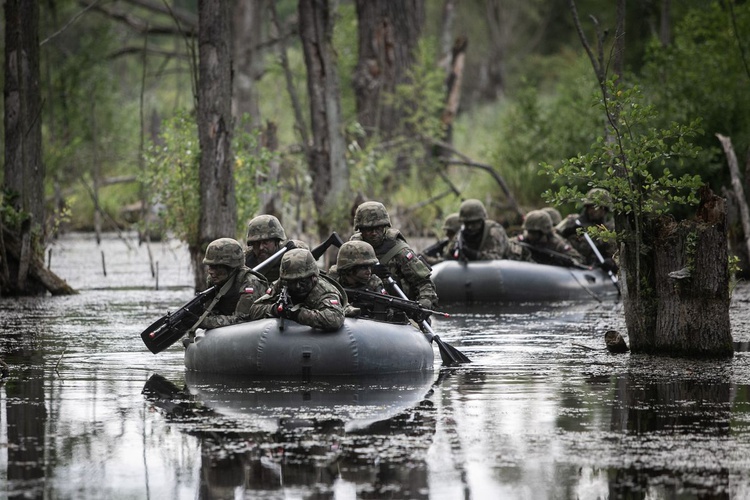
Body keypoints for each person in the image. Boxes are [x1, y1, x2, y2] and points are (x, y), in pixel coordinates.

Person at [350, 201, 439, 310]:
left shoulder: (399, 251)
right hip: (362, 309)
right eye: (369, 229)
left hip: (399, 311)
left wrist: (424, 303)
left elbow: (424, 282)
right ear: (361, 230)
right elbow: (339, 279)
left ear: (384, 227)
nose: (374, 233)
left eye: (378, 228)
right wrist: (369, 272)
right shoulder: (352, 249)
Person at [248, 248, 345, 331]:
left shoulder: (324, 290)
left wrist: (297, 314)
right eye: (292, 282)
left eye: (303, 281)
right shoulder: (283, 283)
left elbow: (334, 319)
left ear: (314, 277)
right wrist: (274, 309)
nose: (298, 286)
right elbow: (254, 309)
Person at [197, 238, 268, 330]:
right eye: (210, 266)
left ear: (231, 267)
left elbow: (242, 319)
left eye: (216, 267)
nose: (210, 271)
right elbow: (211, 312)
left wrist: (203, 322)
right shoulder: (214, 280)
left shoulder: (250, 283)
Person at [555, 188, 617, 271]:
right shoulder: (573, 221)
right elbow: (552, 236)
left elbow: (616, 254)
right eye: (590, 207)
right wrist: (566, 233)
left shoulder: (609, 229)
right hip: (570, 267)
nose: (592, 210)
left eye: (596, 207)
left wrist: (612, 262)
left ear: (604, 209)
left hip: (596, 271)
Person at [509, 210, 583, 267]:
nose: (529, 235)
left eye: (533, 232)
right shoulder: (523, 240)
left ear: (544, 232)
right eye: (529, 231)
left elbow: (578, 259)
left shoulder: (557, 244)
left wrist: (563, 262)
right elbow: (508, 244)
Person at [244, 214, 307, 282]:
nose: (261, 247)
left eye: (266, 242)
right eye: (256, 243)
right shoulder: (245, 260)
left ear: (276, 241)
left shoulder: (293, 253)